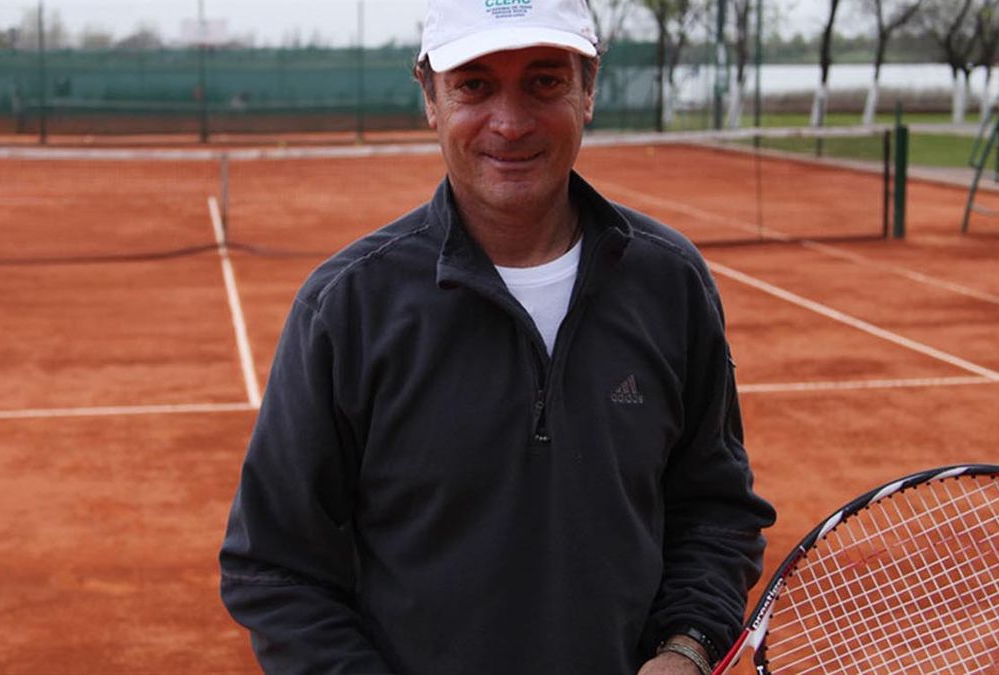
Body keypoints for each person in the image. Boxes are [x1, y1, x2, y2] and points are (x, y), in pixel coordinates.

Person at [218, 0, 775, 672]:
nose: (509, 124)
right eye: (474, 85)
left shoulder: (672, 283)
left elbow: (715, 512)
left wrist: (686, 649)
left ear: (589, 87)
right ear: (430, 96)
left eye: (545, 81)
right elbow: (276, 569)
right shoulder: (345, 308)